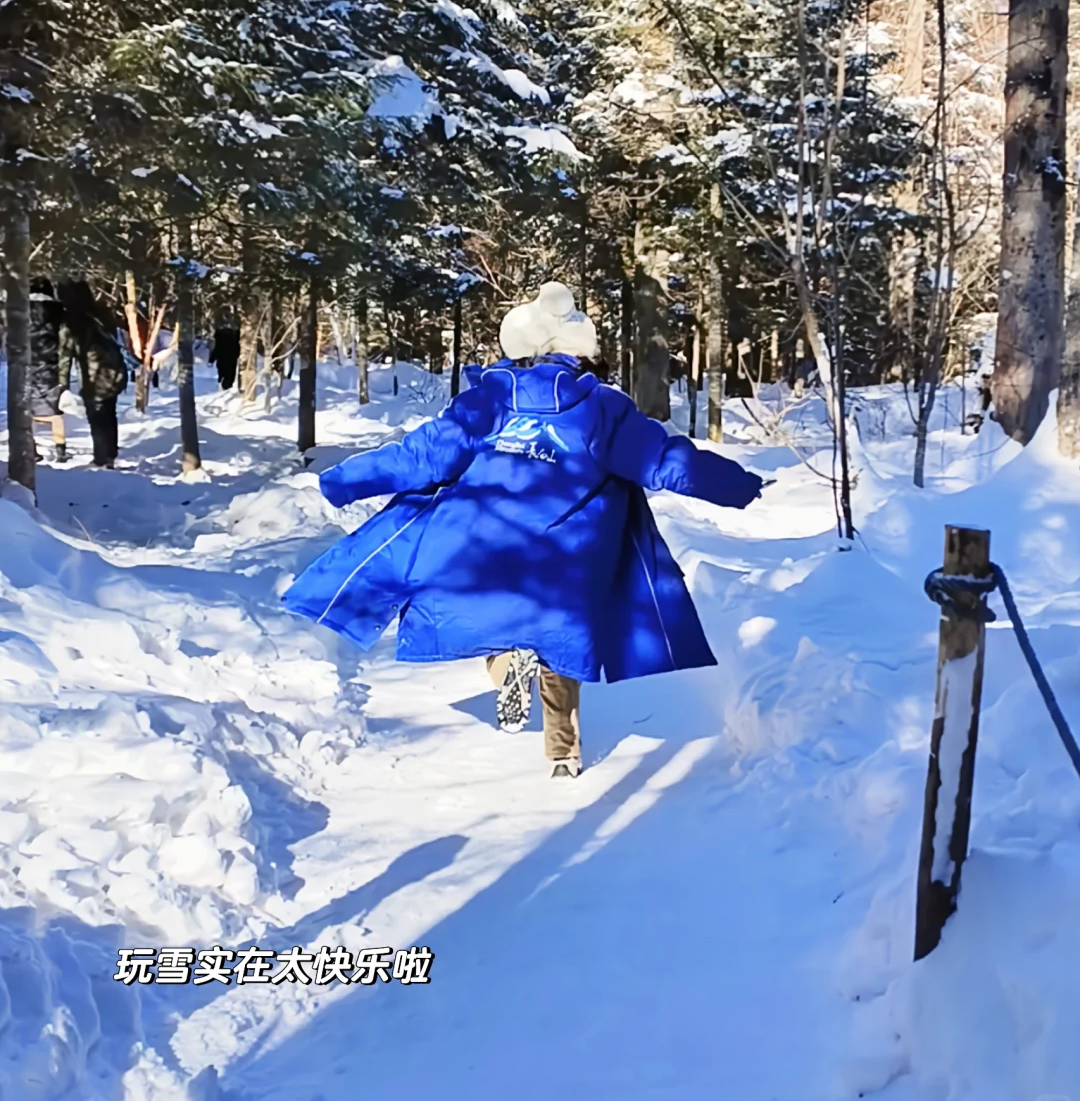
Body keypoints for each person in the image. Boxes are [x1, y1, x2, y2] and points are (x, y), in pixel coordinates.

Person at [282, 282, 763, 778]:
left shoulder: (485, 403)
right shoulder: (601, 408)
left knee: (496, 627)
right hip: (568, 555)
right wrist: (738, 485)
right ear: (577, 352)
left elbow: (419, 457)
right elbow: (664, 459)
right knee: (559, 644)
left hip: (482, 546)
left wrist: (343, 480)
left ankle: (507, 668)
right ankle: (563, 754)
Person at [56, 280, 129, 468]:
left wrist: (62, 383)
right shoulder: (102, 312)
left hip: (93, 375)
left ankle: (102, 458)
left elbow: (65, 354)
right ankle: (110, 454)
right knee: (109, 413)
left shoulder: (71, 320)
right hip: (114, 369)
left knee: (97, 418)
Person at [29, 278, 67, 463]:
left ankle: (30, 449)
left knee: (26, 411)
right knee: (54, 412)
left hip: (25, 365)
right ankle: (60, 451)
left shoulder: (19, 309)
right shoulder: (58, 310)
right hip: (50, 365)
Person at [210, 324, 240, 390]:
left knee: (223, 371)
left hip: (222, 357)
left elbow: (216, 349)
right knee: (230, 372)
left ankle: (223, 380)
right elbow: (238, 348)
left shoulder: (220, 337)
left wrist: (211, 359)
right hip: (231, 357)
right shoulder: (234, 336)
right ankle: (226, 384)